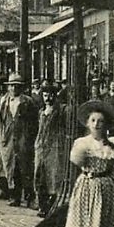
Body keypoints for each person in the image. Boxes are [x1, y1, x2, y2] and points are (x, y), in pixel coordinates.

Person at [2, 74, 39, 208]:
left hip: (24, 139)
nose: (13, 88)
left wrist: (29, 137)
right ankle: (15, 197)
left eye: (16, 86)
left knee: (26, 169)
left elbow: (35, 122)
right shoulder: (3, 102)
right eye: (11, 86)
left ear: (21, 88)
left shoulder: (28, 102)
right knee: (12, 169)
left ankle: (29, 197)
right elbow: (0, 122)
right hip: (10, 140)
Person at [34, 84, 70, 216]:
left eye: (50, 95)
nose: (47, 98)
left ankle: (51, 206)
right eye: (45, 95)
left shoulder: (60, 110)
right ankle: (41, 205)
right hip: (41, 147)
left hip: (55, 146)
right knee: (40, 175)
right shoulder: (41, 112)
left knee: (53, 176)